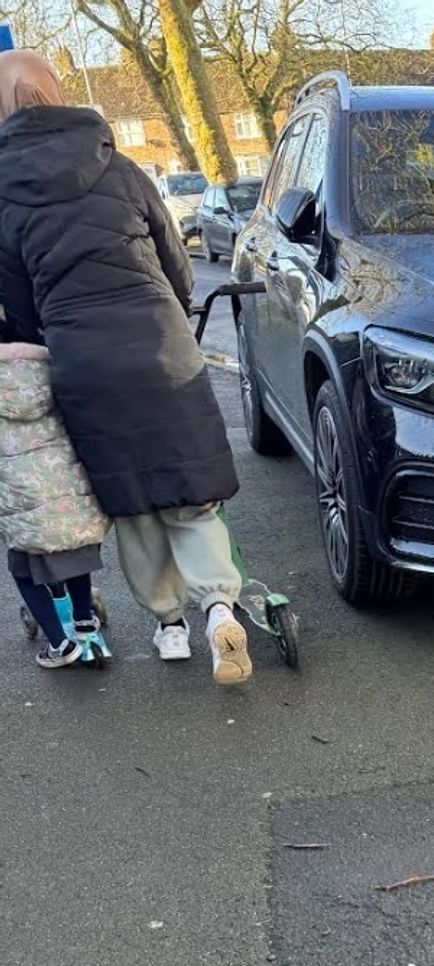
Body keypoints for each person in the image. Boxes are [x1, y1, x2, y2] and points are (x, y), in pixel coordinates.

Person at [0, 50, 252, 685]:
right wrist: (173, 306)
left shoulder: (3, 195)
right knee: (193, 497)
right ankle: (220, 604)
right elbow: (175, 261)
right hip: (163, 346)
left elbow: (20, 305)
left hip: (85, 361)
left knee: (134, 505)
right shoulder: (121, 166)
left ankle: (168, 628)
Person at [0, 329, 109, 667]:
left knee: (23, 570)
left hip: (23, 501)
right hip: (68, 488)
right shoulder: (51, 369)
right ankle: (84, 621)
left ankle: (61, 646)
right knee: (74, 554)